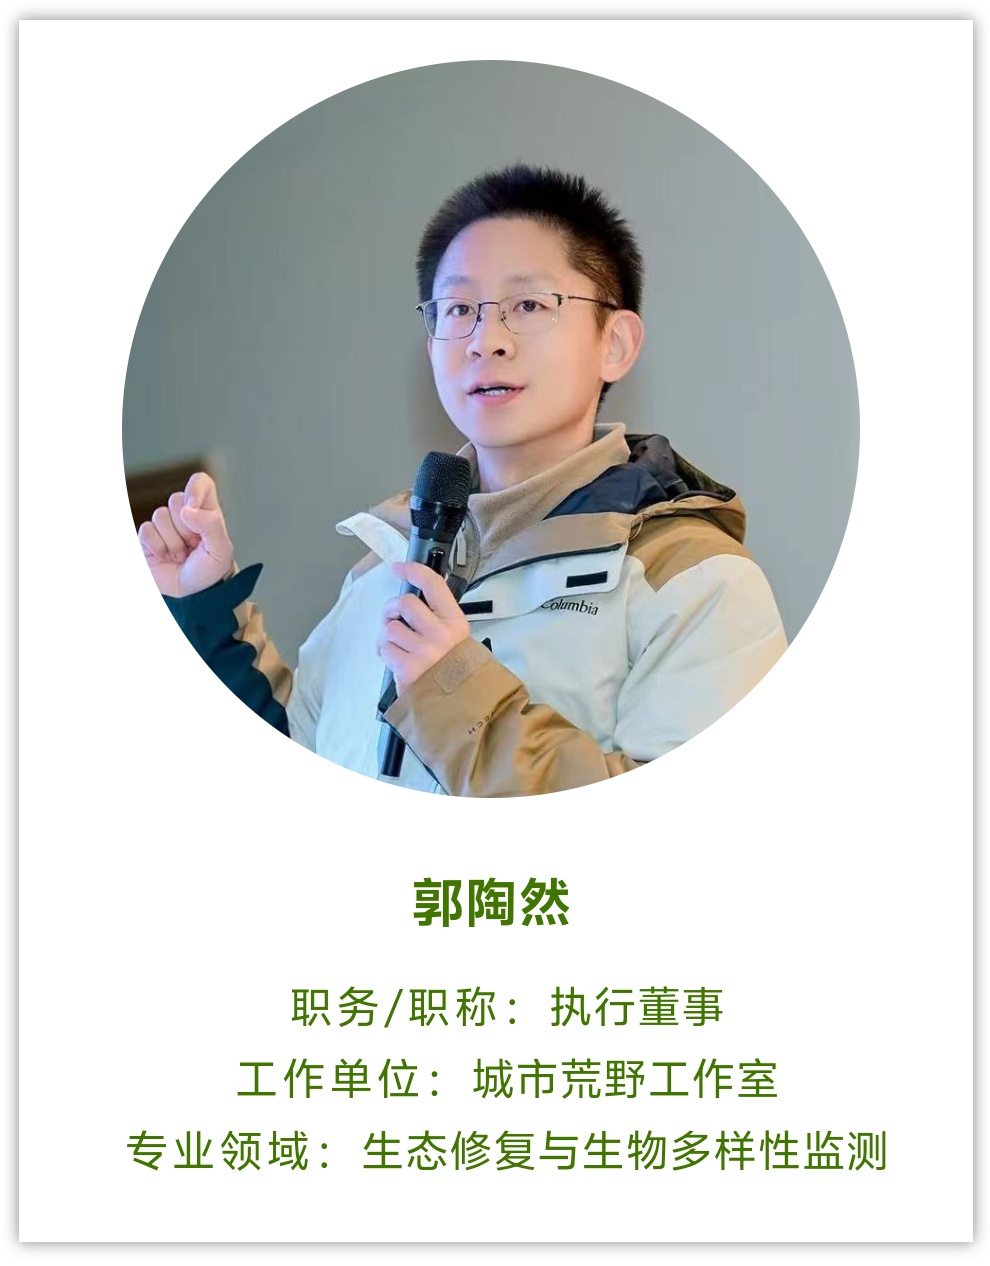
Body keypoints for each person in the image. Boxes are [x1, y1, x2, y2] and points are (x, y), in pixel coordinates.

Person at [138, 164, 787, 796]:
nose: (486, 339)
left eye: (528, 304)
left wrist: (454, 694)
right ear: (431, 346)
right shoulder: (385, 566)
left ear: (614, 343)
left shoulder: (694, 580)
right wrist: (205, 610)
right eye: (458, 309)